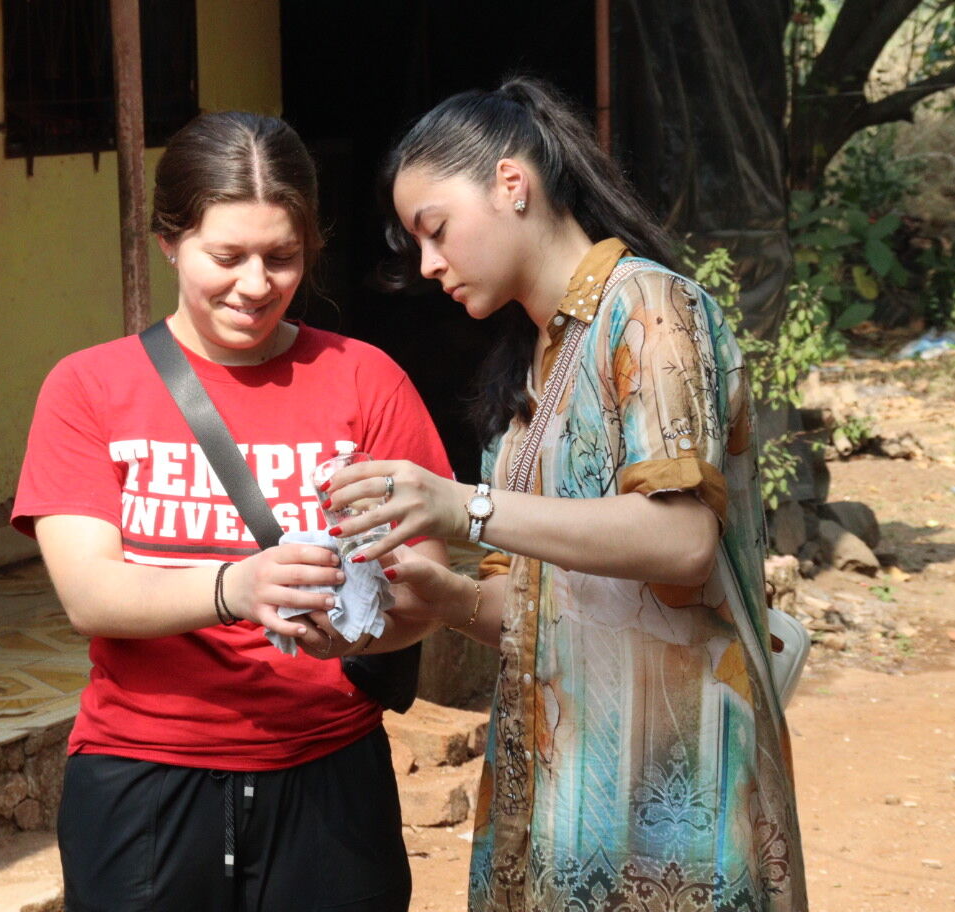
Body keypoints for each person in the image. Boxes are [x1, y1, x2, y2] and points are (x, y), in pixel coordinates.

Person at [323, 77, 807, 911]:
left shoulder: (649, 310)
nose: (429, 265)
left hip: (673, 818)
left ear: (513, 185)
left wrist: (463, 505)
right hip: (559, 810)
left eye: (435, 231)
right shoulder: (531, 370)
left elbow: (683, 540)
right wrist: (444, 596)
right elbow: (542, 610)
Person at [13, 111, 453, 911]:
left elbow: (425, 589)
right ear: (171, 239)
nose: (256, 284)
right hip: (144, 781)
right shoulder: (89, 389)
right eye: (228, 256)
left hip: (328, 777)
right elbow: (91, 594)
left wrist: (359, 625)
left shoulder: (366, 381)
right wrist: (237, 588)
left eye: (282, 257)